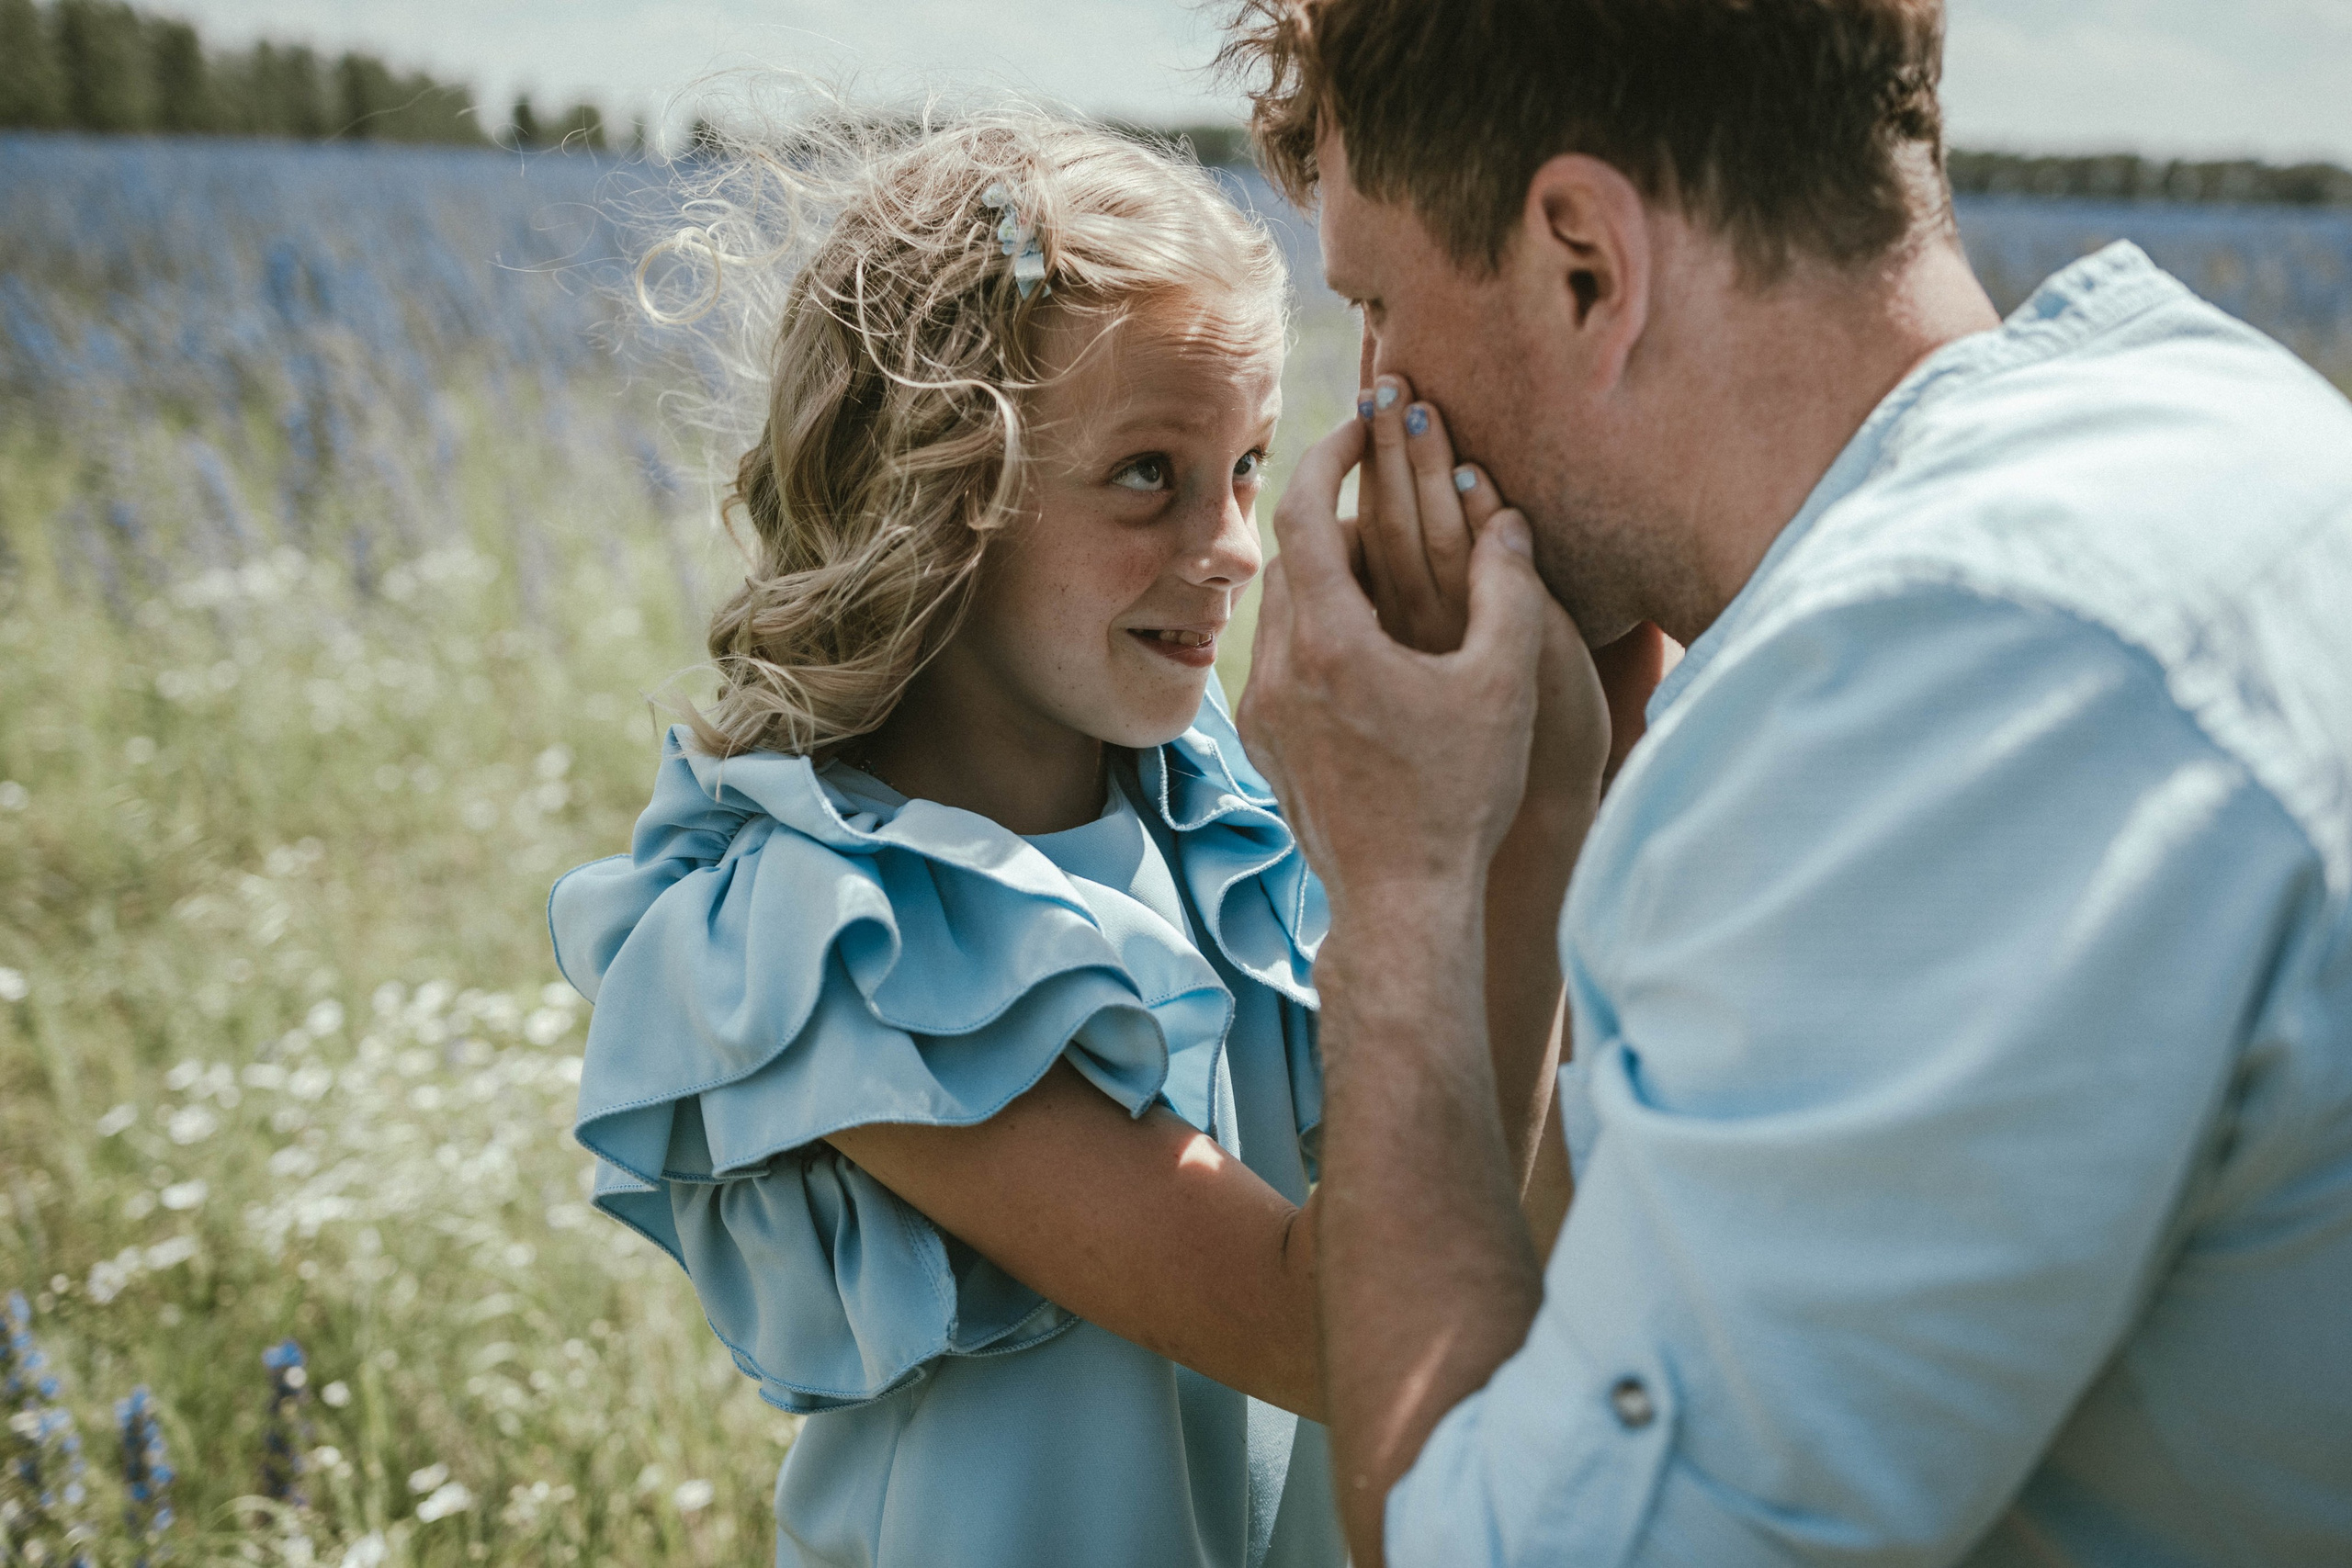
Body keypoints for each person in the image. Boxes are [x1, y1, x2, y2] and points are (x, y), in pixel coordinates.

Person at [1216, 2, 2352, 1565]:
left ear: (1584, 266)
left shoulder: (1930, 700)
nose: (1377, 384)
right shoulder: (2215, 420)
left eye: (1377, 302)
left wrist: (1400, 891)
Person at [547, 108, 1566, 1568]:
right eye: (1148, 472)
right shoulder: (839, 938)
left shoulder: (1212, 819)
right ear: (944, 492)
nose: (1234, 546)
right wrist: (1522, 823)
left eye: (1246, 466)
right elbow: (1336, 1330)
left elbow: (1461, 1218)